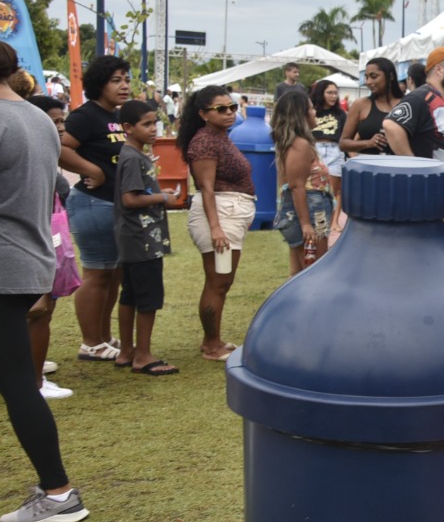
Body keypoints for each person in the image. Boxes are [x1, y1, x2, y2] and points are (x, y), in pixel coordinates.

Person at [0, 38, 87, 522]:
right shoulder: (37, 118)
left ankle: (59, 493)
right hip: (23, 261)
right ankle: (58, 492)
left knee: (18, 383)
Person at [58, 54, 132, 362]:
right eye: (116, 80)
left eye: (126, 79)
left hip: (112, 204)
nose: (124, 86)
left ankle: (103, 337)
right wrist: (93, 170)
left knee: (112, 275)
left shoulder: (113, 115)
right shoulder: (86, 115)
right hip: (92, 202)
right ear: (99, 84)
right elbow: (60, 148)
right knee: (97, 275)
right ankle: (90, 342)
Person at [177, 84, 256, 361]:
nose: (229, 113)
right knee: (218, 283)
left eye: (232, 107)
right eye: (220, 109)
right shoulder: (205, 141)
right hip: (219, 215)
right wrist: (215, 228)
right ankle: (212, 346)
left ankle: (213, 340)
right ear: (203, 114)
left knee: (221, 281)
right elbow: (206, 187)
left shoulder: (218, 135)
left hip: (228, 213)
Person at [112, 100, 182, 375]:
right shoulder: (132, 157)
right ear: (128, 128)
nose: (154, 129)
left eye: (156, 123)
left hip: (134, 237)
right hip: (141, 239)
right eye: (147, 124)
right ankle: (143, 354)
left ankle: (127, 351)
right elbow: (129, 198)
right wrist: (165, 197)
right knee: (148, 298)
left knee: (130, 294)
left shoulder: (134, 155)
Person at [24, 95, 74, 399]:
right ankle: (34, 382)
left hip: (48, 240)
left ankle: (34, 368)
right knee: (37, 310)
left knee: (45, 307)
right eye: (53, 121)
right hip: (31, 242)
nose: (59, 127)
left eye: (61, 121)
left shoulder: (48, 151)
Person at [383, 47, 444, 189]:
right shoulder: (421, 98)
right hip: (435, 196)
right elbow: (391, 125)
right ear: (439, 70)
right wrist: (415, 168)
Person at [271, 88, 334, 274]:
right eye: (312, 108)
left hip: (302, 211)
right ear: (302, 114)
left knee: (299, 273)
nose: (315, 112)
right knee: (314, 272)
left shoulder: (295, 142)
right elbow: (297, 186)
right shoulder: (300, 144)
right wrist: (306, 224)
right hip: (310, 211)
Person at [341, 57, 398, 163]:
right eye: (366, 77)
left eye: (374, 76)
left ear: (390, 76)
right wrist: (369, 143)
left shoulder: (406, 104)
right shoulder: (360, 105)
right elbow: (343, 143)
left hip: (398, 167)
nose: (368, 82)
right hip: (368, 168)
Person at [308, 78, 347, 200]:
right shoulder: (311, 111)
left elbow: (345, 135)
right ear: (320, 93)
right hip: (313, 150)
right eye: (329, 93)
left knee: (334, 191)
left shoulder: (340, 113)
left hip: (334, 150)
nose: (333, 96)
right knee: (312, 188)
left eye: (335, 93)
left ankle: (334, 219)